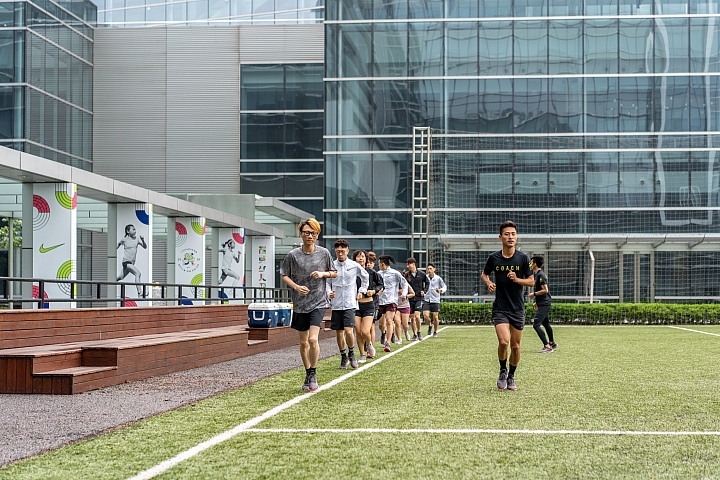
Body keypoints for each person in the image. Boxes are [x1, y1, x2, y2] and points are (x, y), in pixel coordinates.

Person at [280, 218, 337, 391]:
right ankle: (307, 373)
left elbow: (334, 273)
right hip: (300, 303)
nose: (310, 236)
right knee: (303, 343)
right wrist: (296, 287)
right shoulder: (293, 255)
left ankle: (313, 372)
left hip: (319, 301)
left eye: (313, 233)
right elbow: (284, 275)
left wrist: (322, 274)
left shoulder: (324, 253)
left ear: (317, 235)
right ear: (300, 234)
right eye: (307, 232)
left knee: (313, 339)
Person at [481, 220, 534, 391]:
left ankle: (511, 375)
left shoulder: (523, 258)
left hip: (517, 308)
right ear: (500, 237)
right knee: (504, 342)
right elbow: (484, 274)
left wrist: (517, 279)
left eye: (513, 234)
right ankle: (502, 370)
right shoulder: (493, 258)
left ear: (516, 237)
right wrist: (488, 282)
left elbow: (532, 281)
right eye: (507, 234)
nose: (510, 237)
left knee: (515, 346)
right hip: (500, 308)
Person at [327, 239, 369, 370]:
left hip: (351, 303)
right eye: (338, 251)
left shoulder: (354, 265)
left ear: (347, 251)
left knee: (349, 331)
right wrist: (329, 292)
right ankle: (343, 355)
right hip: (337, 303)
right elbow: (327, 283)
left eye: (342, 251)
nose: (340, 253)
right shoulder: (332, 266)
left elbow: (365, 277)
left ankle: (352, 353)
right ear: (335, 251)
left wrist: (362, 291)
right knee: (339, 333)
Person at [352, 249, 382, 362]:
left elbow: (380, 284)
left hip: (369, 304)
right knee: (358, 332)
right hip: (356, 305)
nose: (361, 258)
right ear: (354, 259)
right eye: (358, 257)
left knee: (365, 331)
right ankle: (362, 355)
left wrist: (373, 291)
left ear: (366, 259)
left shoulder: (371, 272)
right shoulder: (352, 272)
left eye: (363, 256)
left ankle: (369, 345)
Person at [377, 255, 408, 352]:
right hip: (380, 301)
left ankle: (388, 343)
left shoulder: (395, 273)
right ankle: (383, 333)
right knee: (381, 324)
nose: (378, 266)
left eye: (379, 264)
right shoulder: (377, 274)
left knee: (389, 321)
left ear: (382, 264)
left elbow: (404, 283)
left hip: (391, 301)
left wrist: (403, 294)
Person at [529, 255, 557, 353]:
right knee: (545, 323)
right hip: (542, 302)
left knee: (536, 324)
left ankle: (547, 346)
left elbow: (545, 290)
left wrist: (534, 294)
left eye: (531, 262)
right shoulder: (537, 274)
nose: (530, 264)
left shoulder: (540, 275)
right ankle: (552, 343)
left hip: (545, 303)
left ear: (535, 264)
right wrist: (537, 302)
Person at [117, 224, 148, 295]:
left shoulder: (137, 239)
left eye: (135, 229)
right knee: (138, 273)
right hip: (126, 262)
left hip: (131, 263)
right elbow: (117, 244)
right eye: (133, 229)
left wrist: (143, 240)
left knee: (120, 277)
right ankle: (140, 292)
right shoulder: (124, 239)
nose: (135, 231)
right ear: (128, 231)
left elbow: (145, 246)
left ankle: (108, 282)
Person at [405, 258, 429, 341]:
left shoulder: (421, 274)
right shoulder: (407, 275)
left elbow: (427, 283)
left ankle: (419, 331)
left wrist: (424, 291)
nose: (408, 266)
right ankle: (414, 333)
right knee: (412, 317)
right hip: (410, 298)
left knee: (417, 316)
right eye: (407, 264)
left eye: (409, 264)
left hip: (419, 297)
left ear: (414, 264)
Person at [423, 263, 447, 338]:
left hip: (435, 299)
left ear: (434, 269)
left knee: (435, 317)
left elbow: (444, 287)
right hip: (427, 299)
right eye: (428, 269)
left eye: (431, 269)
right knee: (425, 315)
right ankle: (430, 325)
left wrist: (440, 290)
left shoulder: (438, 278)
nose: (429, 270)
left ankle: (435, 331)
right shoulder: (425, 278)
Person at [366, 251, 382, 346]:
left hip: (373, 303)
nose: (369, 264)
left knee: (371, 325)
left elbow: (381, 285)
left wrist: (377, 290)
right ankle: (366, 343)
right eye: (367, 262)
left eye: (371, 263)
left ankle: (371, 345)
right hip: (361, 302)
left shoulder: (376, 274)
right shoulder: (361, 272)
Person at [397, 270, 416, 342]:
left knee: (405, 324)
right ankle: (399, 339)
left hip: (405, 306)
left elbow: (413, 293)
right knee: (397, 322)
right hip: (396, 306)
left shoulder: (406, 284)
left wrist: (406, 296)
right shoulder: (394, 285)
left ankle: (406, 332)